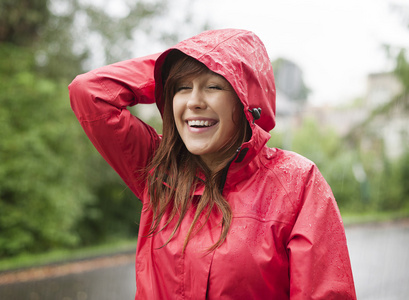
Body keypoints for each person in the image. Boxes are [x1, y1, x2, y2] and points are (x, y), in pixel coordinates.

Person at [69, 29, 356, 299]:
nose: (194, 101)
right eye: (182, 87)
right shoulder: (159, 167)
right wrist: (178, 61)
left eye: (213, 86)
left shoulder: (297, 183)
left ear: (245, 99)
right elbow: (89, 92)